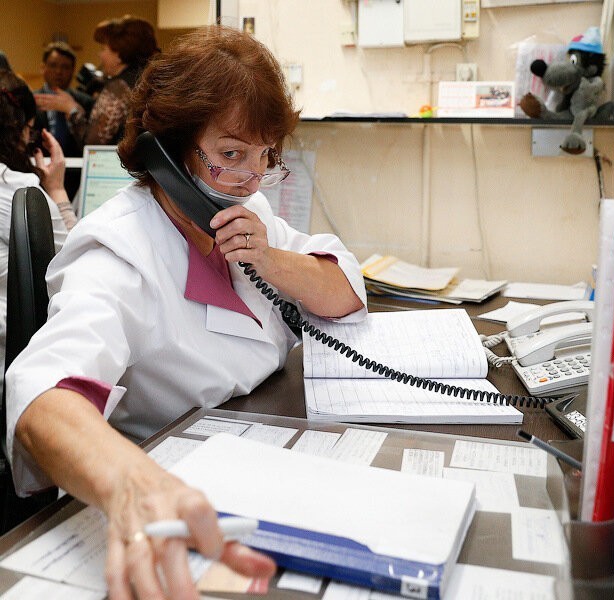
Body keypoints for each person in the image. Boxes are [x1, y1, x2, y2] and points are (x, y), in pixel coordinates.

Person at [5, 26, 366, 599]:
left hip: (262, 457)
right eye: (231, 154)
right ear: (166, 150)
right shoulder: (118, 250)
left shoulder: (245, 211)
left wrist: (270, 259)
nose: (251, 178)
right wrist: (132, 485)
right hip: (173, 491)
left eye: (266, 157)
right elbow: (45, 394)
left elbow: (343, 288)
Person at [0, 69, 76, 381]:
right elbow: (78, 263)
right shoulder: (19, 191)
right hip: (13, 370)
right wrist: (56, 190)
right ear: (19, 130)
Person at [35, 15, 159, 146]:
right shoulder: (143, 79)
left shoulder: (119, 87)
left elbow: (93, 142)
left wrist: (72, 110)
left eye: (103, 49)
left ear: (119, 54)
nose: (100, 55)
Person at [33, 42, 95, 158]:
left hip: (76, 165)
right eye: (53, 65)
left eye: (65, 67)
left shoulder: (86, 102)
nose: (58, 72)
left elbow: (91, 141)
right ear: (43, 68)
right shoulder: (31, 100)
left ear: (73, 71)